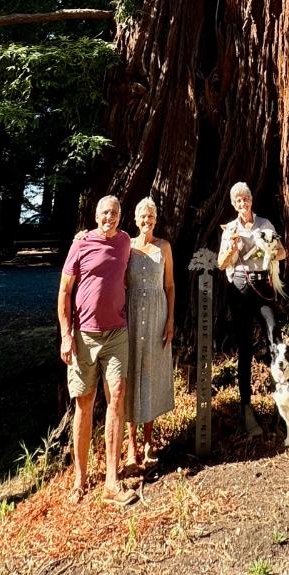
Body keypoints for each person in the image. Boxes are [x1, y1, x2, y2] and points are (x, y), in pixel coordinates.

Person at [57, 195, 137, 505]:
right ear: (96, 215)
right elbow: (65, 291)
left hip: (117, 333)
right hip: (84, 336)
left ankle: (112, 481)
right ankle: (80, 478)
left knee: (116, 398)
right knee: (85, 403)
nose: (110, 217)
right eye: (105, 213)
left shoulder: (125, 241)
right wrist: (66, 336)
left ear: (120, 215)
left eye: (115, 213)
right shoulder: (80, 244)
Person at [217, 181, 287, 437]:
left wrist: (272, 247)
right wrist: (232, 249)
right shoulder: (230, 229)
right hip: (239, 289)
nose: (242, 203)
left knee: (274, 334)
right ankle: (246, 408)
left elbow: (282, 254)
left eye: (244, 198)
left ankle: (283, 398)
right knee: (244, 346)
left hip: (263, 289)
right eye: (237, 200)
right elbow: (221, 262)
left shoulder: (265, 224)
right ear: (233, 204)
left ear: (250, 200)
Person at [124, 196, 176, 470]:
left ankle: (148, 441)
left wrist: (170, 321)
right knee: (132, 375)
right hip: (132, 316)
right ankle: (131, 444)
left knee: (151, 374)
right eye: (143, 217)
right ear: (135, 220)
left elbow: (169, 285)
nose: (147, 221)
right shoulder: (127, 246)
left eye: (151, 217)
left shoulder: (164, 247)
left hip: (157, 314)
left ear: (156, 220)